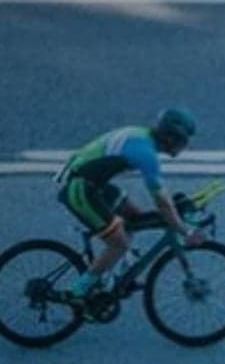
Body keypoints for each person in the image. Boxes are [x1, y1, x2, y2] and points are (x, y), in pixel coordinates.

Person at [55, 108, 205, 300]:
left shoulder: (144, 137)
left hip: (93, 183)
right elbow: (162, 203)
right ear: (171, 138)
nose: (186, 146)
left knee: (134, 216)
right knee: (119, 244)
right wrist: (185, 232)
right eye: (184, 141)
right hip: (81, 188)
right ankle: (77, 292)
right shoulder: (145, 154)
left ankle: (118, 272)